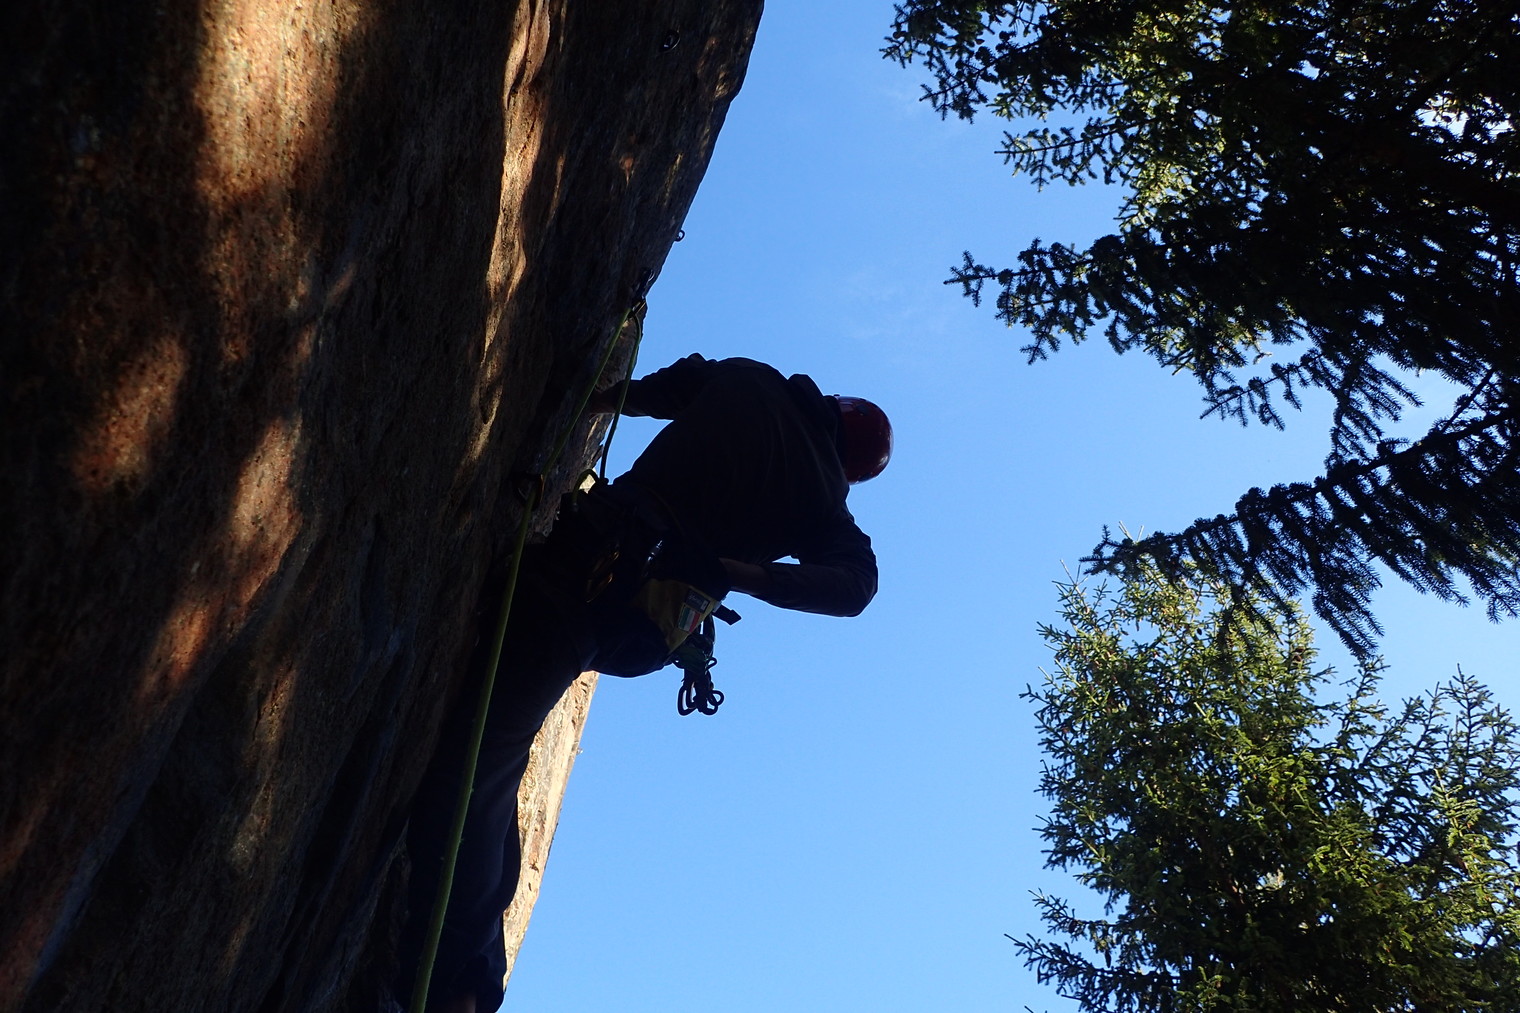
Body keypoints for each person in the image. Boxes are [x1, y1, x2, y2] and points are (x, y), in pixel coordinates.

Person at [397, 354, 891, 1013]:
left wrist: (602, 396)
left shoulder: (750, 378)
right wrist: (741, 574)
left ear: (836, 405)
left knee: (484, 762)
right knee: (488, 765)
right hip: (635, 619)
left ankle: (461, 980)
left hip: (585, 564)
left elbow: (671, 386)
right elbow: (857, 586)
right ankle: (466, 980)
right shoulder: (824, 501)